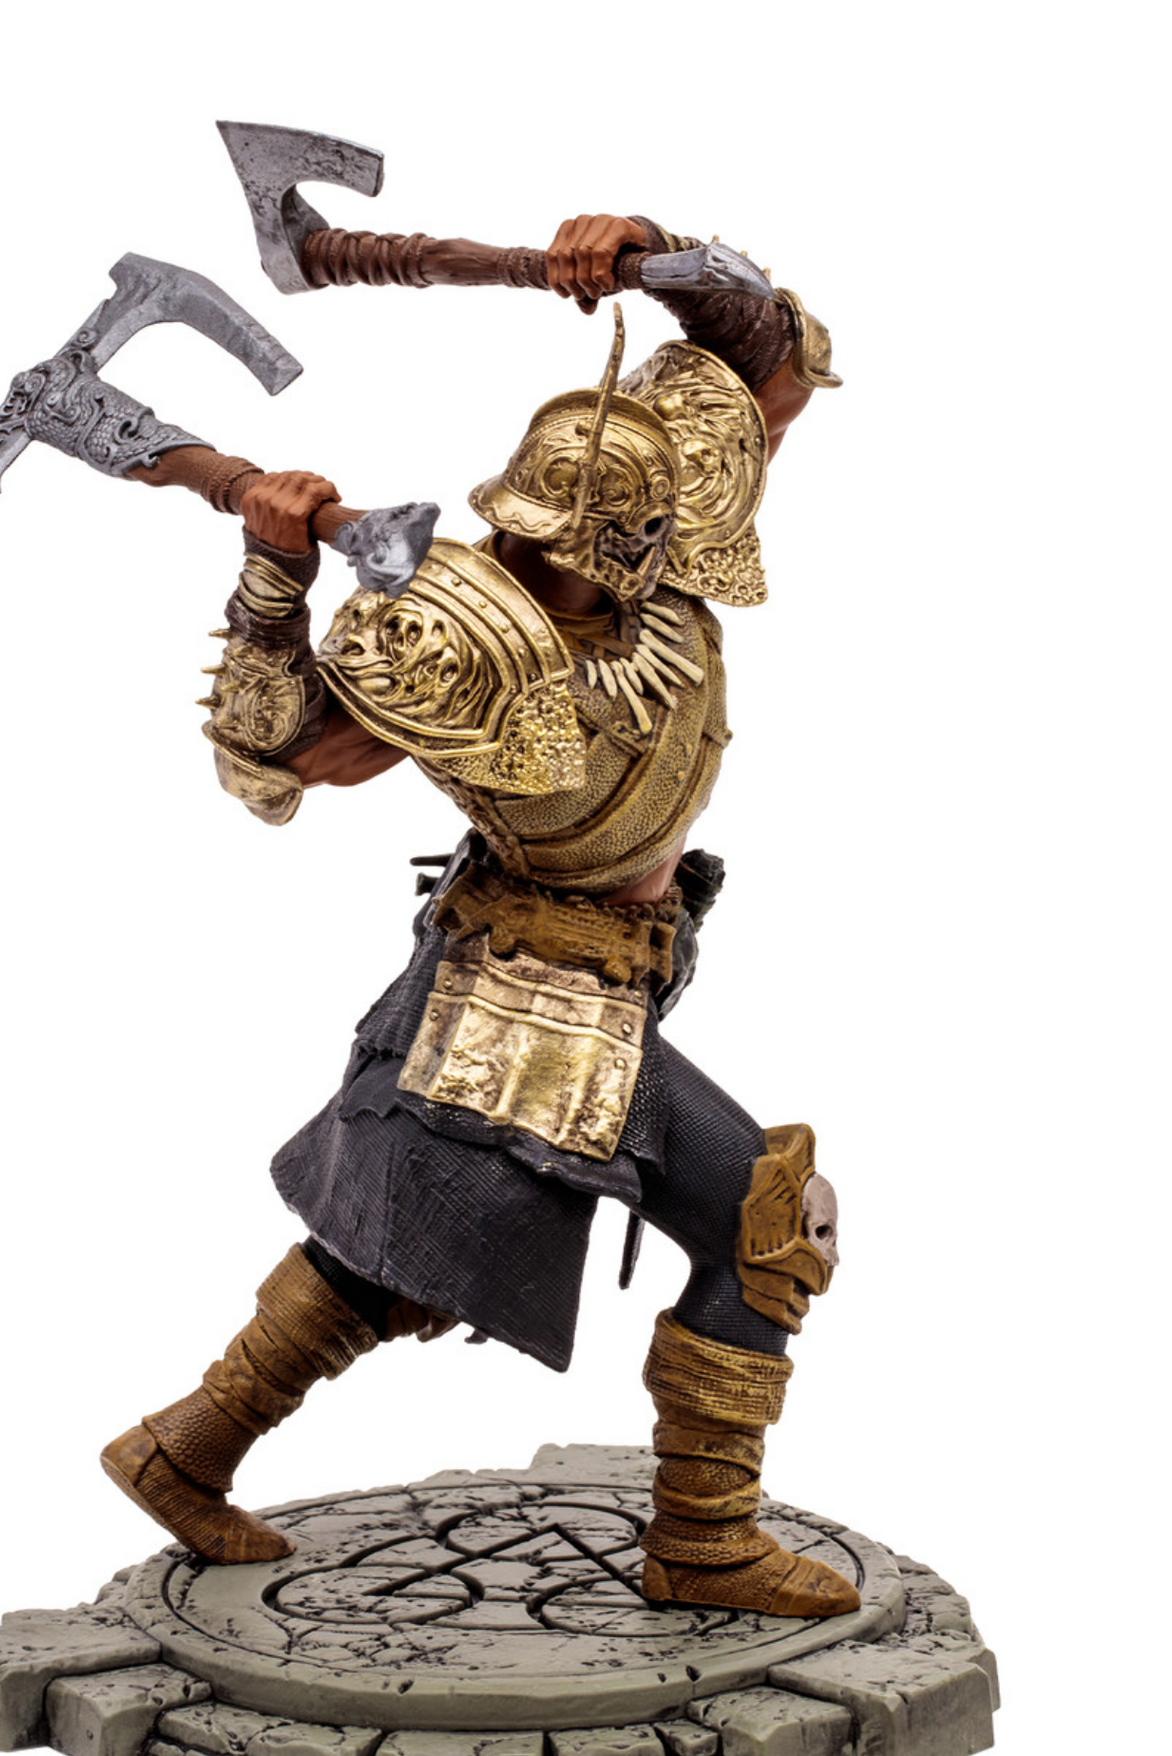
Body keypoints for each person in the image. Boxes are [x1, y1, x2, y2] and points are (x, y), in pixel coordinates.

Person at [101, 215, 854, 1618]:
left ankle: (184, 1446)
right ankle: (703, 1541)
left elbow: (772, 356)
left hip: (614, 972)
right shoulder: (453, 642)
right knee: (768, 1221)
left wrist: (643, 253)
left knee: (409, 1249)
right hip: (530, 980)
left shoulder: (656, 539)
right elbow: (271, 768)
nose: (641, 554)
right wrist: (272, 575)